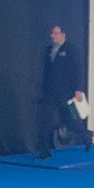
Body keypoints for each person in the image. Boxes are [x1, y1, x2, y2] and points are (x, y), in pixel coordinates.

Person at [34, 24, 81, 159]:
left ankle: (86, 136)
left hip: (65, 93)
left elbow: (76, 70)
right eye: (52, 33)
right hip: (49, 93)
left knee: (70, 121)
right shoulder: (48, 50)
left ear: (63, 35)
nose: (53, 36)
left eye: (56, 33)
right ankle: (45, 151)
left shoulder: (70, 50)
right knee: (44, 122)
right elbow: (46, 72)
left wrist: (78, 89)